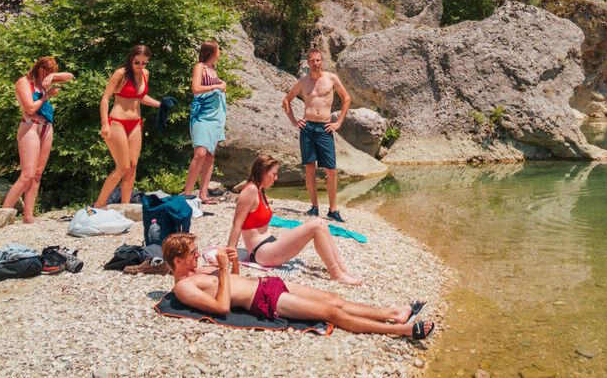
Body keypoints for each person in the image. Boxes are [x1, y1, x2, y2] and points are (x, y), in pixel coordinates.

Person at [163, 232, 433, 339]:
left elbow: (232, 281)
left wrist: (232, 264)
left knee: (334, 299)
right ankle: (402, 330)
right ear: (178, 260)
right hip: (262, 300)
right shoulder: (184, 288)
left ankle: (391, 313)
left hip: (267, 284)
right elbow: (221, 307)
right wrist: (222, 269)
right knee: (331, 314)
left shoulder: (199, 270)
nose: (197, 255)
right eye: (193, 253)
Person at [227, 155, 363, 286]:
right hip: (261, 253)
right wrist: (230, 254)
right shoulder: (250, 190)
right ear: (263, 172)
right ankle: (336, 274)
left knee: (321, 223)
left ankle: (341, 268)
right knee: (316, 225)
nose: (276, 178)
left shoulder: (260, 190)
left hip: (269, 245)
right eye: (273, 174)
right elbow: (237, 224)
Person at [1, 56, 74, 223]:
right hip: (30, 126)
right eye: (46, 71)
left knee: (38, 174)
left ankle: (28, 216)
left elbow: (70, 76)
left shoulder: (44, 81)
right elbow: (30, 107)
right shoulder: (24, 82)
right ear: (38, 68)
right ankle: (3, 214)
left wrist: (52, 77)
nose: (47, 75)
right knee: (27, 174)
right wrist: (46, 96)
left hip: (46, 126)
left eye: (50, 72)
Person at [282, 48, 351, 222]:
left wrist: (339, 122)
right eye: (312, 61)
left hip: (325, 128)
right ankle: (314, 207)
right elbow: (286, 100)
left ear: (322, 61)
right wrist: (294, 121)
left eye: (318, 60)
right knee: (310, 168)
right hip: (307, 128)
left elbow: (346, 98)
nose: (315, 63)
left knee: (331, 170)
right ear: (308, 63)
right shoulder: (303, 82)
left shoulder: (331, 79)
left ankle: (333, 209)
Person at [93, 44, 162, 208]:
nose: (140, 66)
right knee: (122, 166)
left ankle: (125, 206)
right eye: (137, 62)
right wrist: (104, 124)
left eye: (144, 63)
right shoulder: (121, 74)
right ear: (131, 59)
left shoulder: (145, 74)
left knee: (132, 166)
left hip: (136, 122)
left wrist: (161, 105)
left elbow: (140, 97)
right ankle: (99, 205)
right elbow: (105, 98)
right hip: (117, 121)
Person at [183, 40, 227, 203]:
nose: (220, 52)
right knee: (200, 152)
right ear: (212, 52)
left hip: (216, 117)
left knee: (210, 155)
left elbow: (221, 85)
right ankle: (187, 192)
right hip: (202, 114)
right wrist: (215, 87)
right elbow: (196, 88)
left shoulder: (213, 69)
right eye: (218, 49)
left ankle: (203, 194)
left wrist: (222, 84)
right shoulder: (199, 67)